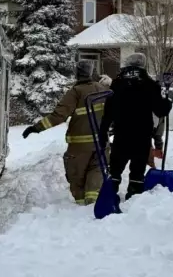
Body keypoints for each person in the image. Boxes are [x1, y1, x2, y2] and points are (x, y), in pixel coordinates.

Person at [22, 61, 109, 205]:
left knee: (77, 178)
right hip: (102, 144)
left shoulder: (75, 93)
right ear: (91, 72)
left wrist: (36, 128)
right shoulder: (103, 89)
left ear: (77, 73)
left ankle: (81, 208)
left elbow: (58, 116)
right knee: (97, 171)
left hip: (80, 147)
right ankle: (93, 204)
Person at [98, 53, 172, 201]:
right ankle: (133, 196)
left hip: (121, 134)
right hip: (142, 135)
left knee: (115, 168)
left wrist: (103, 132)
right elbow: (161, 111)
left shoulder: (117, 84)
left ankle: (109, 196)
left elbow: (108, 113)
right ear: (143, 65)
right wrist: (167, 102)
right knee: (138, 170)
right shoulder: (150, 85)